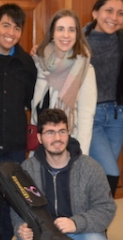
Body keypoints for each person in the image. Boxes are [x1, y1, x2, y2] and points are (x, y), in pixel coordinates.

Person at [5, 108, 118, 240]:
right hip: (41, 233)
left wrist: (76, 223)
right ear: (39, 138)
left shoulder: (90, 167)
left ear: (68, 134)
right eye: (50, 132)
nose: (57, 138)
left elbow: (106, 208)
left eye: (62, 132)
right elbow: (17, 208)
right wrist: (20, 227)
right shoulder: (27, 169)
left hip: (80, 230)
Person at [0, 3, 37, 240]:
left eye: (16, 28)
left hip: (15, 142)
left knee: (10, 198)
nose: (10, 32)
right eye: (5, 25)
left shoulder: (26, 63)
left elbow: (29, 100)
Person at [84, 0, 123, 196]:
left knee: (99, 175)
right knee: (111, 172)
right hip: (91, 116)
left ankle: (96, 225)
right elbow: (53, 53)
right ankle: (98, 222)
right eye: (108, 11)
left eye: (120, 13)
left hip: (117, 117)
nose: (114, 18)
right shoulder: (78, 39)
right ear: (95, 12)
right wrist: (38, 49)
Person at [31, 9, 96, 154]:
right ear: (52, 34)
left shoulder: (85, 69)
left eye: (71, 30)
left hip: (68, 147)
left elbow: (86, 119)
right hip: (40, 145)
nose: (66, 35)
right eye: (60, 29)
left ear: (77, 34)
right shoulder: (40, 63)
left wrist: (81, 156)